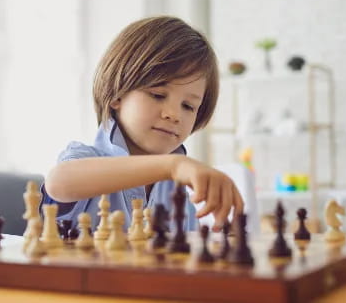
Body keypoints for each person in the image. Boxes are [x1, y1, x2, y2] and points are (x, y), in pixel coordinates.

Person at [42, 16, 243, 232]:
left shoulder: (179, 195)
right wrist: (172, 165)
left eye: (188, 106)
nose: (173, 114)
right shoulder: (85, 160)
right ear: (117, 95)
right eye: (157, 94)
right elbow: (59, 182)